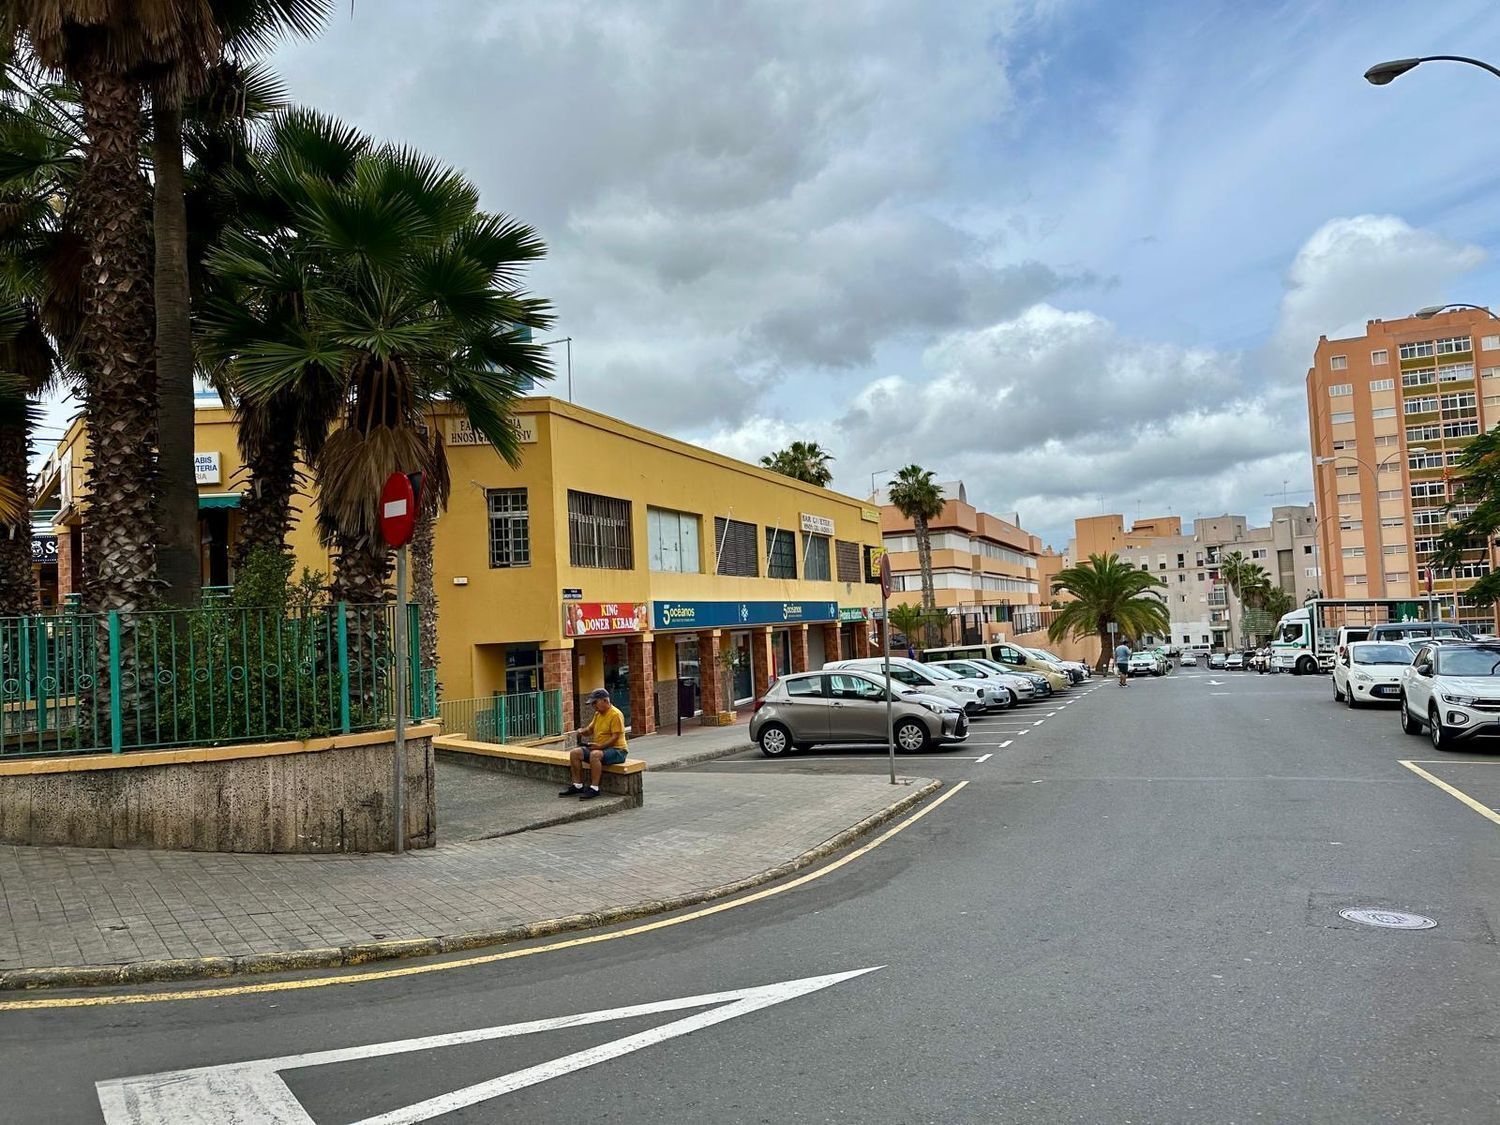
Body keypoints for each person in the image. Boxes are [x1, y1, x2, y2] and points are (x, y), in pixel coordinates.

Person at [560, 688, 628, 800]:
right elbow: (590, 729)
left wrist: (600, 747)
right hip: (601, 749)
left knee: (595, 755)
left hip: (618, 751)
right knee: (575, 753)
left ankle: (594, 788)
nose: (593, 706)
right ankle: (578, 785)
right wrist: (581, 732)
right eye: (592, 704)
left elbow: (615, 737)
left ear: (605, 701)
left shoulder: (616, 714)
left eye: (595, 702)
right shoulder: (598, 714)